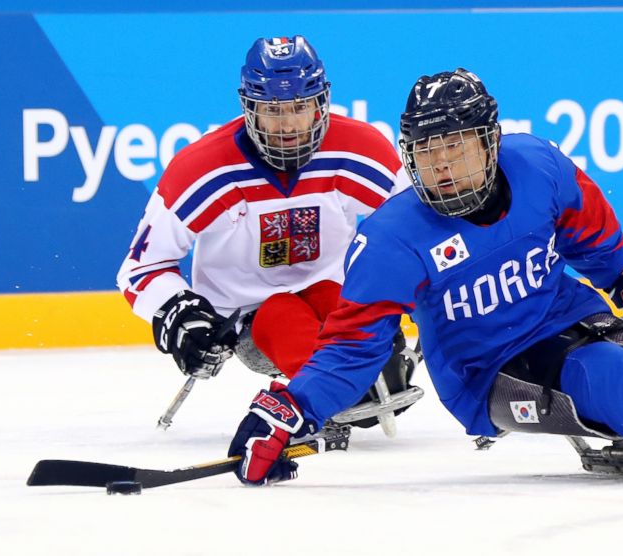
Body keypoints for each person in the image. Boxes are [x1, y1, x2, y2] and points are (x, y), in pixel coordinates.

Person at [227, 68, 623, 486]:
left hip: (568, 316)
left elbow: (598, 242)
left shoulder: (540, 166)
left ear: (490, 141)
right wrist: (289, 409)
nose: (442, 167)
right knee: (600, 368)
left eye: (455, 146)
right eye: (426, 152)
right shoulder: (391, 238)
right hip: (487, 371)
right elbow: (352, 349)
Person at [116, 36, 417, 426]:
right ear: (248, 108)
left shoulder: (359, 150)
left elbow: (413, 233)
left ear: (321, 103)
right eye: (273, 110)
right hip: (246, 316)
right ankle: (327, 388)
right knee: (282, 316)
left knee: (360, 339)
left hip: (332, 297)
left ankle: (343, 379)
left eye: (300, 107)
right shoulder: (202, 169)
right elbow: (140, 268)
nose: (288, 124)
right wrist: (180, 313)